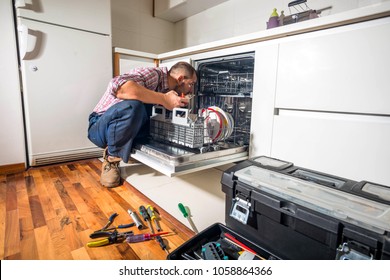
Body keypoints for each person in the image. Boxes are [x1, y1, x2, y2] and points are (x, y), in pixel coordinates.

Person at [88, 62, 197, 188]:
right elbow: (120, 88)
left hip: (119, 128)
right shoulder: (153, 74)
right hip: (99, 126)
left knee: (155, 113)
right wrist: (164, 99)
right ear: (180, 79)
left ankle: (127, 149)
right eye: (191, 84)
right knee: (134, 106)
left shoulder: (168, 91)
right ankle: (112, 159)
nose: (192, 89)